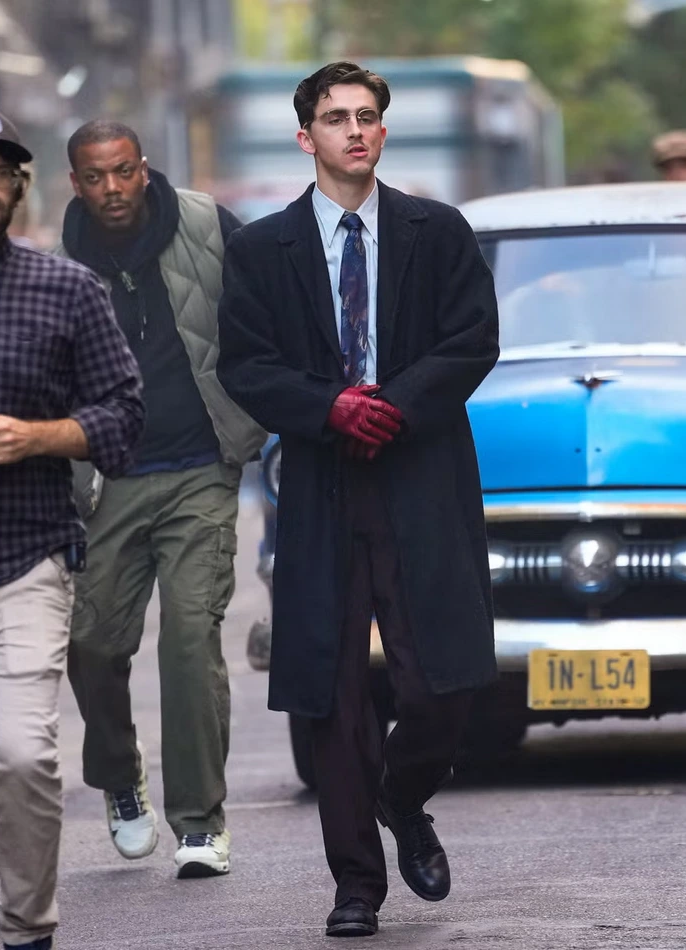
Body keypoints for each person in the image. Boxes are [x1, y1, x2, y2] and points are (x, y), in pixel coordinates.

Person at [217, 62, 500, 936]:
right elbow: (246, 364)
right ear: (306, 137)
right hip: (322, 481)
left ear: (383, 131)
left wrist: (394, 406)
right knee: (331, 691)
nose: (354, 130)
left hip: (421, 474)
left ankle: (402, 797)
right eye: (336, 117)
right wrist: (330, 407)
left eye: (367, 116)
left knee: (444, 682)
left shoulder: (435, 231)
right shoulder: (262, 250)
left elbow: (472, 341)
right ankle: (356, 886)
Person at [56, 121, 266, 879]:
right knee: (92, 646)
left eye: (123, 171)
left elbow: (266, 314)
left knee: (189, 638)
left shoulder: (208, 226)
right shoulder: (58, 268)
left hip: (201, 468)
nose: (111, 189)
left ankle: (201, 822)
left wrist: (264, 415)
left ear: (143, 169)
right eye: (94, 177)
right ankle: (120, 776)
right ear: (75, 183)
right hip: (107, 478)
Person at [0, 106, 144, 950]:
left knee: (20, 756)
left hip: (24, 559)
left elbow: (124, 414)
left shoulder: (66, 290)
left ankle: (25, 930)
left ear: (18, 188)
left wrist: (38, 437)